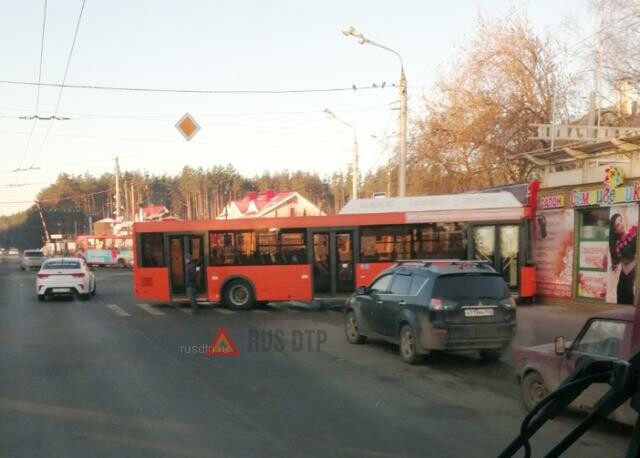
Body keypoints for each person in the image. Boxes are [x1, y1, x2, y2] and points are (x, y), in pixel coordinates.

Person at [609, 213, 637, 305]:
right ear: (614, 230)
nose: (621, 224)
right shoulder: (617, 243)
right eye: (617, 224)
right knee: (623, 296)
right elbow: (623, 257)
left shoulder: (632, 235)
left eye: (621, 221)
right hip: (625, 277)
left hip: (632, 275)